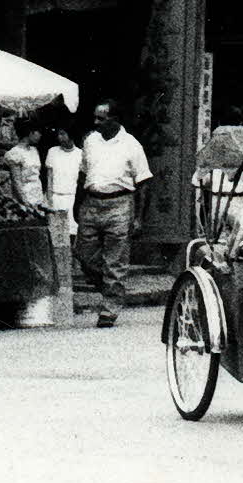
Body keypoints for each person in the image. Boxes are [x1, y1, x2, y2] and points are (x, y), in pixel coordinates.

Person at [76, 102, 152, 327]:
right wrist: (77, 203)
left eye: (101, 119)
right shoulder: (90, 141)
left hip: (120, 204)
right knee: (83, 254)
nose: (96, 123)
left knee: (115, 260)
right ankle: (114, 289)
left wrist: (139, 217)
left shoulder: (132, 145)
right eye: (95, 118)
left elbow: (144, 184)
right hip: (91, 202)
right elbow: (82, 173)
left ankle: (109, 309)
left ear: (115, 119)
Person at [40, 120, 83, 311]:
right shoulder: (52, 152)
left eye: (64, 134)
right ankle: (59, 266)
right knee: (56, 234)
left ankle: (73, 265)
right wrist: (48, 198)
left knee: (73, 233)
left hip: (73, 196)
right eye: (59, 134)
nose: (60, 137)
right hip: (56, 195)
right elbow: (49, 177)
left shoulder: (81, 154)